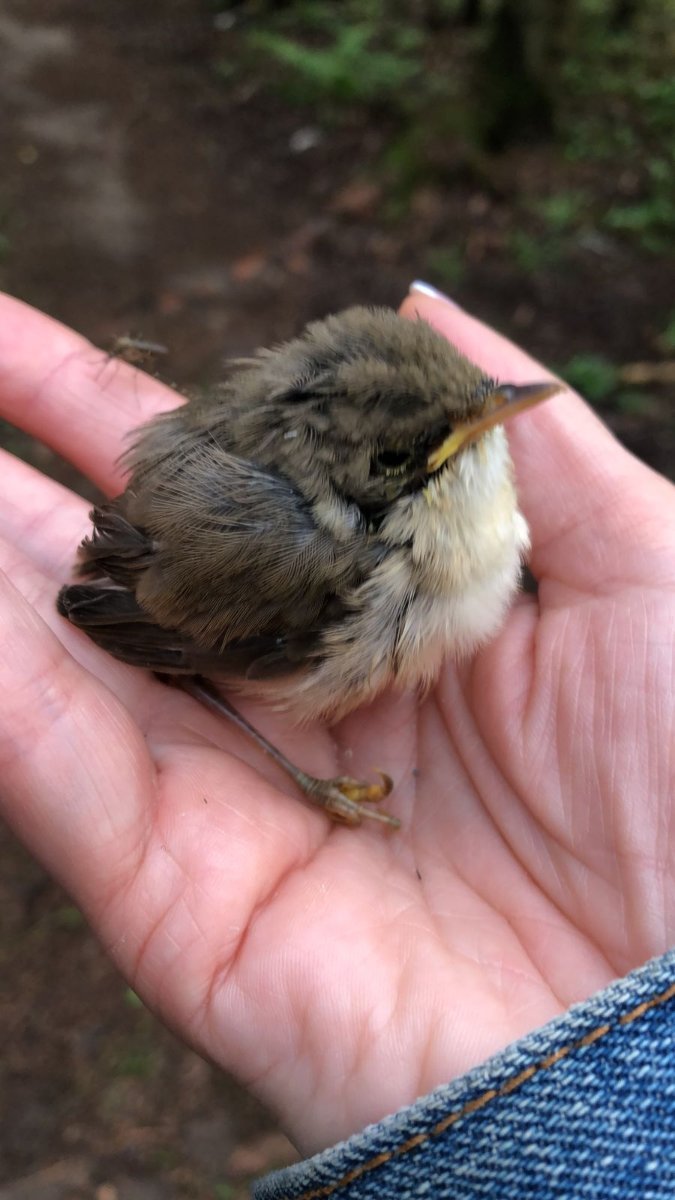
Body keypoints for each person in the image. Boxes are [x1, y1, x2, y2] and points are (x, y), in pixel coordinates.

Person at [0, 284, 673, 1197]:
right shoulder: (339, 568)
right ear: (383, 479)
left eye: (483, 400)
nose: (498, 418)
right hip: (182, 565)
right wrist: (304, 781)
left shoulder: (432, 496)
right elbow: (134, 617)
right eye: (431, 442)